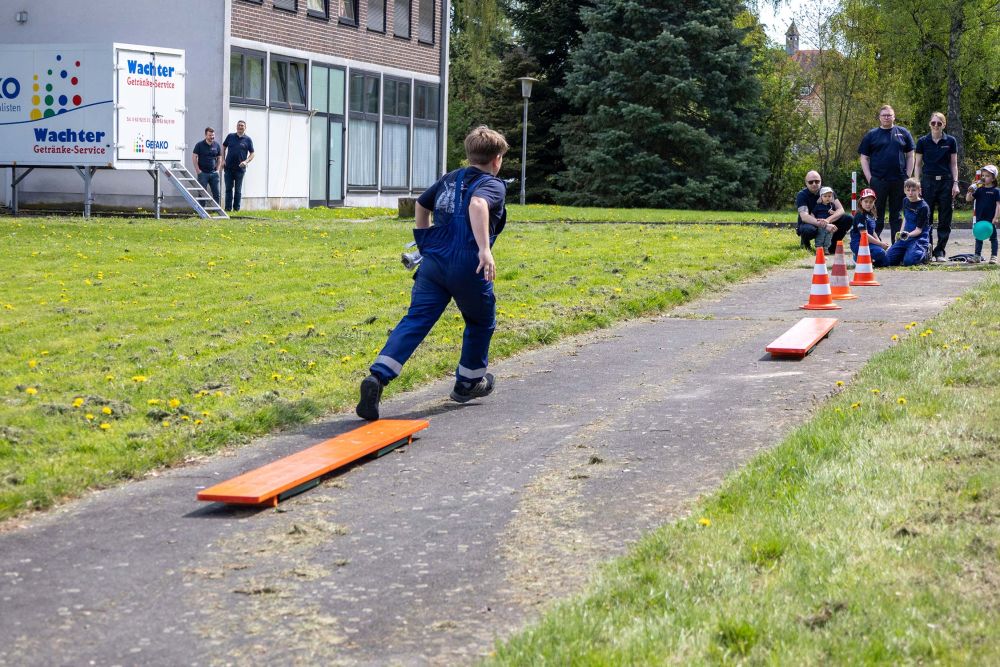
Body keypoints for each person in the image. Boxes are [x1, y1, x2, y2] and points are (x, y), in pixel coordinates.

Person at [356, 126, 510, 421]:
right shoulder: (493, 184)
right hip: (468, 264)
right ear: (497, 160)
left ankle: (378, 376)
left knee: (416, 319)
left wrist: (425, 241)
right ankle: (468, 382)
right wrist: (484, 250)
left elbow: (422, 204)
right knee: (480, 320)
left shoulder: (450, 179)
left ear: (469, 155)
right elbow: (478, 205)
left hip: (434, 264)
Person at [858, 105, 915, 242]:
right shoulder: (871, 135)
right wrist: (870, 178)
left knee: (897, 215)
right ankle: (875, 245)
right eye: (884, 115)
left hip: (899, 180)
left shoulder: (903, 133)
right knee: (877, 214)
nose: (887, 117)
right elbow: (864, 158)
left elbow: (911, 155)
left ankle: (897, 245)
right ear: (879, 117)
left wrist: (907, 175)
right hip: (878, 180)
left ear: (894, 117)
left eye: (889, 115)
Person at [914, 112, 960, 261]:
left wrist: (955, 183)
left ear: (944, 125)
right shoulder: (922, 141)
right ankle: (927, 248)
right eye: (933, 123)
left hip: (946, 182)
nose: (935, 126)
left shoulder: (951, 141)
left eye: (939, 123)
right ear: (929, 124)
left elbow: (954, 164)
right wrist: (916, 183)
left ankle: (940, 251)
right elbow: (918, 164)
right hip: (927, 181)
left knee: (945, 217)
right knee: (926, 216)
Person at [795, 171, 846, 251]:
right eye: (811, 182)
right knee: (808, 230)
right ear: (806, 183)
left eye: (817, 181)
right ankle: (805, 243)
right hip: (810, 223)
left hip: (828, 220)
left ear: (821, 181)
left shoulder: (828, 191)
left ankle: (831, 246)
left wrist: (828, 220)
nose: (814, 184)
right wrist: (825, 225)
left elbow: (841, 210)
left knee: (848, 219)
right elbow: (804, 217)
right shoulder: (802, 195)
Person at [885, 178, 930, 267]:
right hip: (905, 236)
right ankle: (906, 252)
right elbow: (905, 218)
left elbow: (919, 230)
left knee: (909, 262)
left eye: (913, 190)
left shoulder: (923, 207)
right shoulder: (905, 200)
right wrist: (901, 233)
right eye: (908, 190)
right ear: (904, 190)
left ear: (919, 191)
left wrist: (908, 235)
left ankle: (925, 253)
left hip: (918, 238)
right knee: (887, 260)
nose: (910, 193)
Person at [966, 164, 1000, 264]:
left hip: (990, 219)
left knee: (993, 238)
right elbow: (968, 199)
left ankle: (994, 256)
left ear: (993, 178)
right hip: (980, 218)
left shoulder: (996, 191)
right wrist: (970, 190)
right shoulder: (979, 190)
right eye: (983, 176)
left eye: (988, 176)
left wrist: (996, 217)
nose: (984, 178)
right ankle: (977, 256)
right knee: (979, 237)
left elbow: (998, 205)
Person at [851, 188, 890, 267]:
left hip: (869, 243)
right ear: (861, 202)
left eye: (871, 202)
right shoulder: (860, 215)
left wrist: (880, 244)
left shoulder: (871, 214)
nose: (868, 204)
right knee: (880, 253)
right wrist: (880, 244)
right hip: (859, 243)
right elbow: (864, 235)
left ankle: (869, 261)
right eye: (866, 201)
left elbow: (873, 232)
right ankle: (858, 257)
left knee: (886, 261)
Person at [222, 120, 254, 212]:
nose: (240, 127)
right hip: (228, 168)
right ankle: (228, 209)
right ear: (236, 127)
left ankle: (236, 209)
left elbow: (252, 153)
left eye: (242, 126)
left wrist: (246, 161)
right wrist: (223, 160)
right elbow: (224, 147)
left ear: (245, 127)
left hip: (240, 169)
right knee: (228, 189)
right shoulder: (230, 136)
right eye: (239, 125)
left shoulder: (248, 139)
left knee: (238, 190)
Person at [191, 126, 222, 205]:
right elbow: (194, 157)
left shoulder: (217, 145)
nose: (212, 137)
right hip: (203, 173)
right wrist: (198, 171)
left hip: (214, 174)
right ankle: (202, 210)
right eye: (210, 135)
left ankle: (217, 210)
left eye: (213, 135)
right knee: (202, 193)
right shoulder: (199, 145)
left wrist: (218, 170)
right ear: (205, 135)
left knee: (216, 194)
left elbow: (220, 158)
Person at [811, 186, 837, 253]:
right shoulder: (818, 206)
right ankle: (819, 248)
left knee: (828, 237)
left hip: (829, 224)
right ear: (821, 197)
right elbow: (812, 213)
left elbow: (836, 214)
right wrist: (815, 220)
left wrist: (834, 212)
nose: (827, 198)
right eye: (825, 196)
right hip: (821, 224)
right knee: (820, 236)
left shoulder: (832, 206)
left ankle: (826, 248)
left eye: (829, 196)